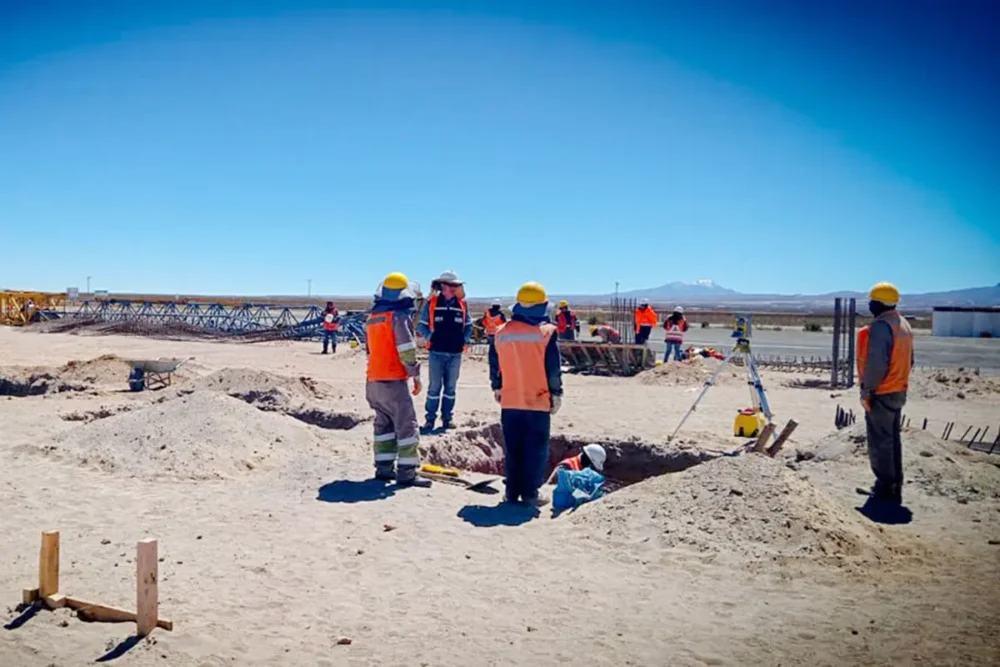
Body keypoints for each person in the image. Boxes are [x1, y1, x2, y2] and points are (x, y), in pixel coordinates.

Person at [490, 281, 563, 507]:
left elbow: (495, 364)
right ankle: (530, 493)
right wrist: (557, 393)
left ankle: (511, 492)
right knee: (535, 449)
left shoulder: (501, 332)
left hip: (510, 400)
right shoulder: (547, 333)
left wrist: (497, 386)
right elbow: (553, 368)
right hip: (537, 400)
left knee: (513, 448)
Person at [365, 272, 430, 487]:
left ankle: (383, 468)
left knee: (383, 425)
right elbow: (406, 348)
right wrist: (415, 374)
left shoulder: (373, 318)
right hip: (392, 380)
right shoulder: (398, 317)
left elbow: (371, 350)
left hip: (373, 380)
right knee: (406, 426)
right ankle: (407, 472)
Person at [857, 282, 914, 506]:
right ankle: (893, 484)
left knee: (881, 441)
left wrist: (867, 391)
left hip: (882, 390)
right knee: (892, 439)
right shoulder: (903, 324)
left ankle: (885, 487)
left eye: (871, 301)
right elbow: (911, 360)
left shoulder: (882, 327)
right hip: (898, 389)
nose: (869, 305)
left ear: (878, 303)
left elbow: (877, 364)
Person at [418, 270, 472, 433]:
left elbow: (468, 325)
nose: (455, 288)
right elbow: (422, 325)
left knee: (450, 388)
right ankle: (430, 420)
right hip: (437, 353)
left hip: (455, 353)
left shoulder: (462, 305)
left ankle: (447, 419)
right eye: (452, 285)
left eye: (456, 285)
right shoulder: (432, 303)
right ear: (443, 286)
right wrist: (430, 337)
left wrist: (465, 339)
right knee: (434, 387)